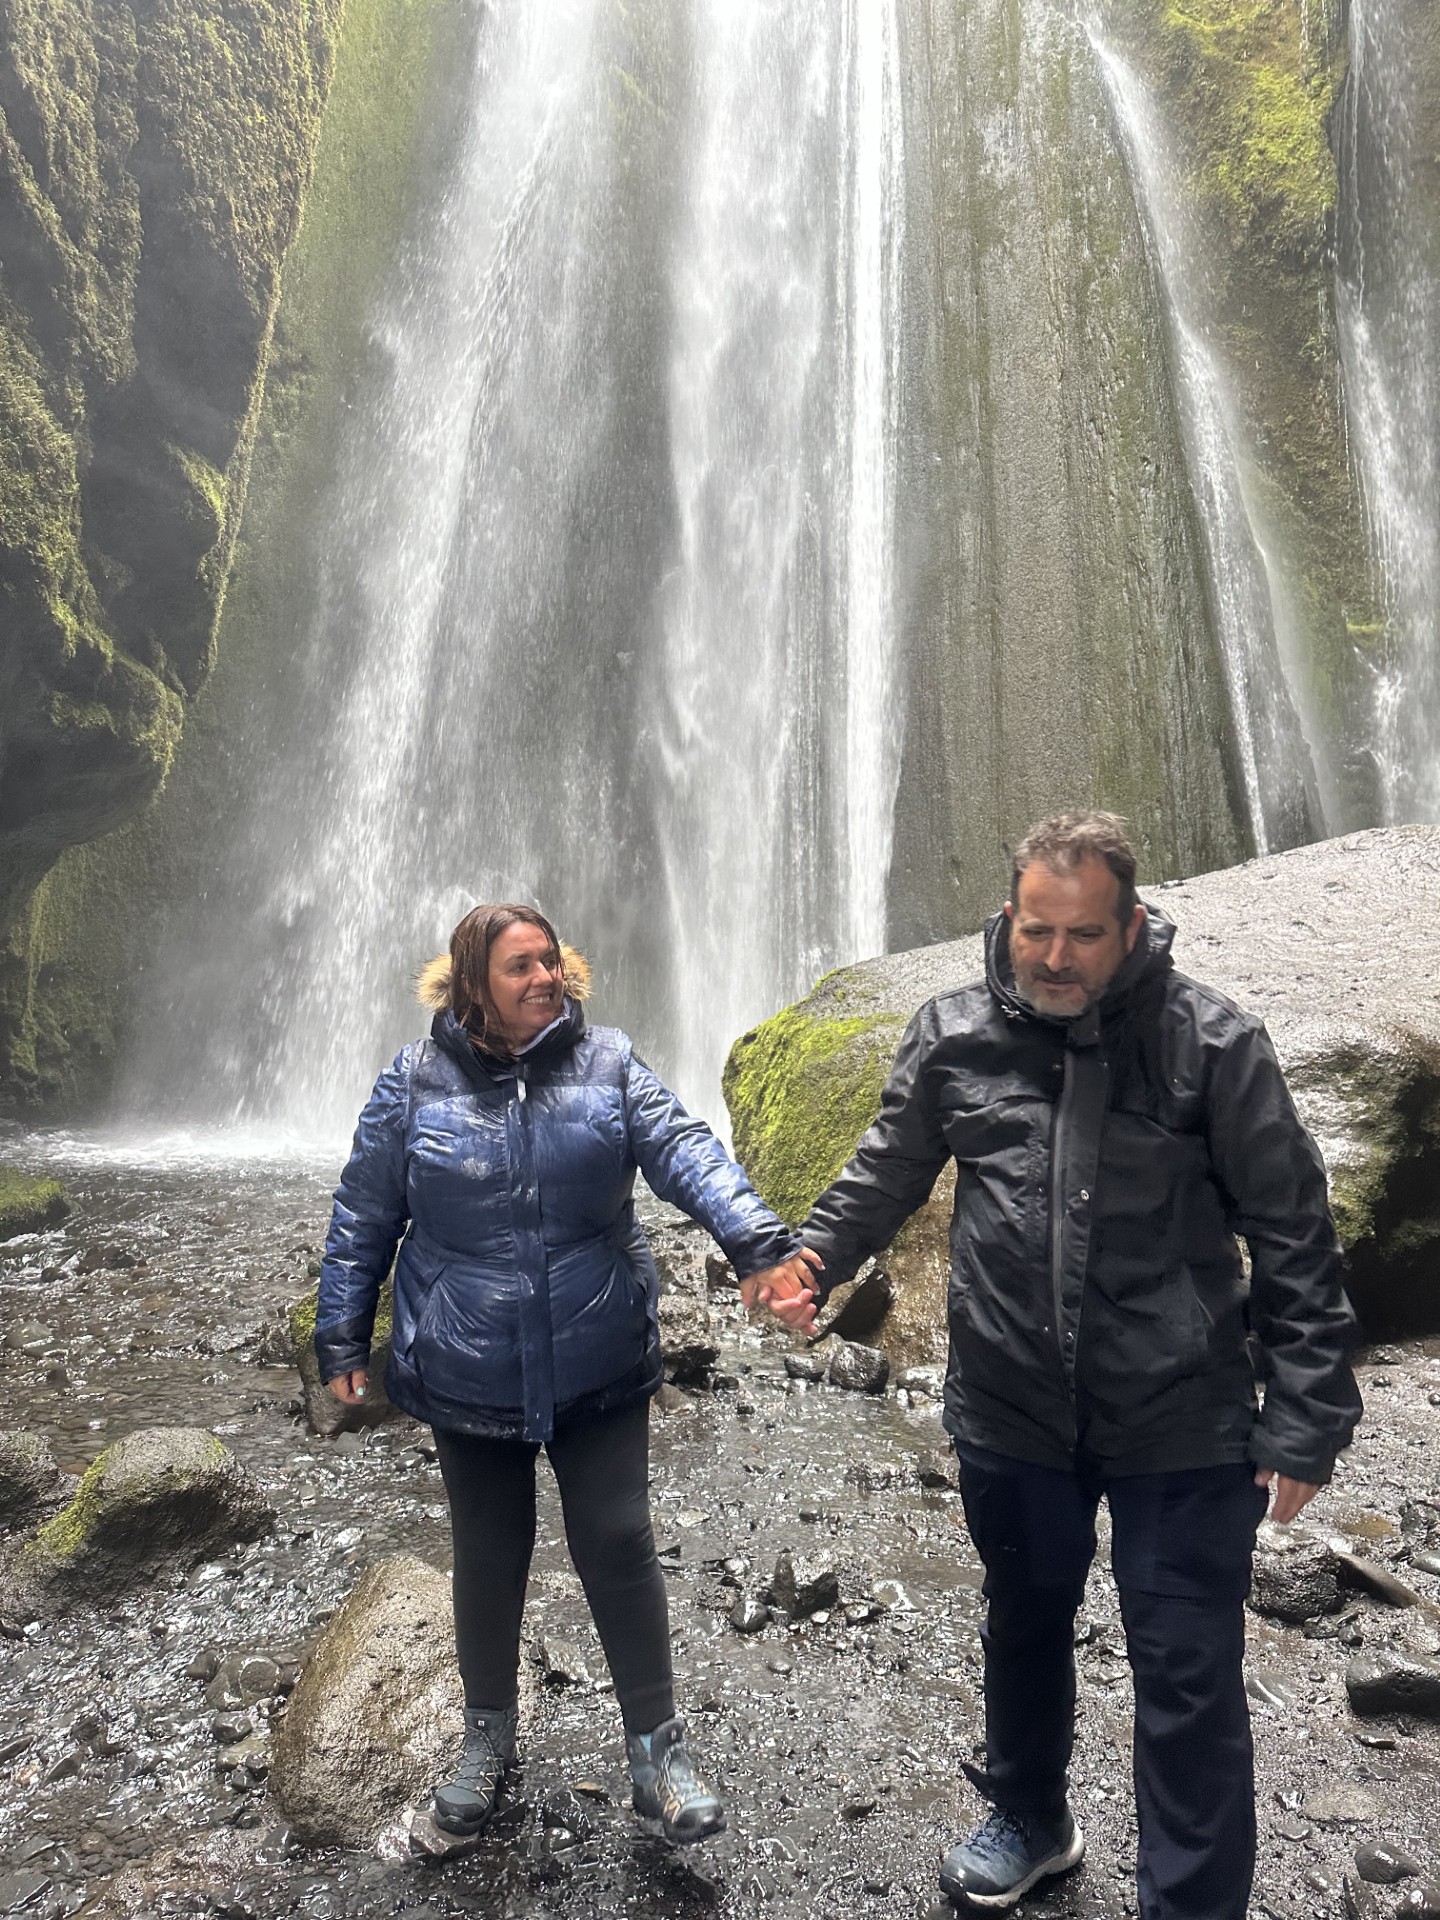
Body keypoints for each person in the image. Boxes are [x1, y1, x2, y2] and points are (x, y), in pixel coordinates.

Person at [781, 812, 1362, 1918]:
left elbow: (1295, 1233)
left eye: (1083, 934)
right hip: (1011, 1406)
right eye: (1034, 931)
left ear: (1131, 926)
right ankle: (1031, 1819)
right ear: (1006, 918)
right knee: (1026, 1619)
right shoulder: (951, 1036)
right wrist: (812, 1258)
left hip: (1181, 1419)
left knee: (1187, 1677)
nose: (1053, 957)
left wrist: (1306, 1416)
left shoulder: (1215, 1045)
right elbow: (883, 1173)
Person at [314, 902, 813, 1845]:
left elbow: (688, 1154)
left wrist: (755, 1244)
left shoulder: (609, 1064)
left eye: (550, 961)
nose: (544, 978)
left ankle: (658, 1756)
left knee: (620, 1540)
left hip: (597, 1352)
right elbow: (363, 1214)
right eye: (519, 967)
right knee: (489, 1555)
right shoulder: (412, 1085)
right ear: (472, 986)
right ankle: (487, 1744)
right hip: (468, 1360)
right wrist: (340, 1336)